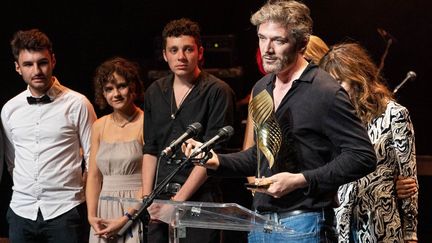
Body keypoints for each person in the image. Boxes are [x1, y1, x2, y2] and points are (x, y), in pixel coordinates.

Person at [183, 1, 377, 242]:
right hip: (260, 222)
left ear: (302, 44)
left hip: (303, 223)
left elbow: (362, 156)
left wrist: (299, 180)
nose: (267, 49)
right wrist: (216, 161)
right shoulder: (262, 87)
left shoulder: (325, 91)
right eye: (262, 38)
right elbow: (262, 156)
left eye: (278, 40)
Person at [142, 18, 236, 243]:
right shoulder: (155, 91)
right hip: (160, 199)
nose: (181, 57)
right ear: (165, 54)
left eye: (188, 49)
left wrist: (178, 201)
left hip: (199, 199)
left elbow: (214, 155)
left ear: (200, 52)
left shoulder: (217, 91)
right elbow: (151, 148)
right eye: (173, 50)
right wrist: (147, 197)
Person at [1, 29, 97, 243]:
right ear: (18, 68)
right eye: (28, 64)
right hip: (21, 212)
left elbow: (94, 161)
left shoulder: (78, 104)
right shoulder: (9, 109)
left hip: (65, 211)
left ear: (53, 60)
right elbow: (12, 162)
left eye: (42, 62)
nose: (37, 70)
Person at [319, 42, 419, 242]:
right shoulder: (333, 119)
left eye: (339, 82)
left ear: (359, 78)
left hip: (380, 225)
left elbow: (409, 181)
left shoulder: (394, 115)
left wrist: (410, 233)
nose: (333, 90)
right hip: (340, 226)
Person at [86, 57, 145, 242]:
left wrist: (126, 218)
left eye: (121, 86)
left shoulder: (146, 122)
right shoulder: (99, 126)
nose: (116, 94)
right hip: (104, 210)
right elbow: (94, 176)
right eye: (109, 89)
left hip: (135, 208)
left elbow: (150, 179)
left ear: (133, 88)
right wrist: (91, 215)